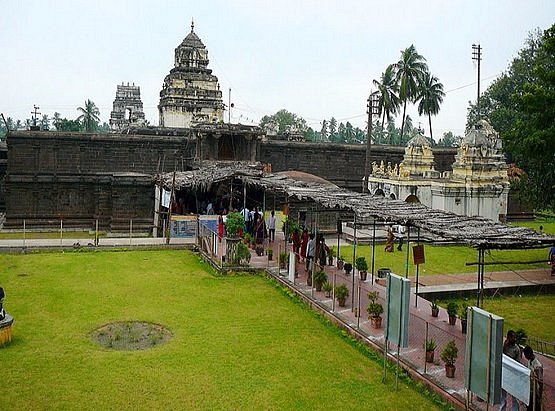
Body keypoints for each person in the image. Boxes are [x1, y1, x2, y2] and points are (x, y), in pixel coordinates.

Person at [500, 330, 521, 411]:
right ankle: (502, 409)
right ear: (508, 337)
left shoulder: (516, 349)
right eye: (513, 337)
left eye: (515, 337)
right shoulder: (505, 346)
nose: (514, 339)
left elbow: (517, 363)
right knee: (502, 395)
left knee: (514, 396)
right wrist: (504, 346)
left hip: (512, 375)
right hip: (505, 374)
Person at [523, 346, 543, 411]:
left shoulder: (538, 366)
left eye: (525, 355)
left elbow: (540, 382)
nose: (525, 357)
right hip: (530, 391)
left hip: (535, 392)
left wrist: (540, 396)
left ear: (529, 354)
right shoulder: (529, 361)